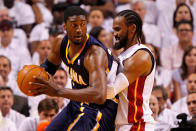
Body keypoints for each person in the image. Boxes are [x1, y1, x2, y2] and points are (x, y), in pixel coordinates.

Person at [30, 6, 118, 131]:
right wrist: (36, 77)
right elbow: (49, 66)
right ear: (65, 27)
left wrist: (58, 91)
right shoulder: (60, 42)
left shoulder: (94, 53)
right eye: (74, 25)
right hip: (77, 102)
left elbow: (99, 95)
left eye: (82, 25)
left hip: (102, 108)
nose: (79, 30)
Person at [106, 10, 155, 130]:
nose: (114, 34)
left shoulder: (141, 56)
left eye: (118, 29)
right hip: (123, 125)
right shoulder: (123, 55)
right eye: (114, 30)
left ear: (132, 28)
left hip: (137, 125)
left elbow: (110, 91)